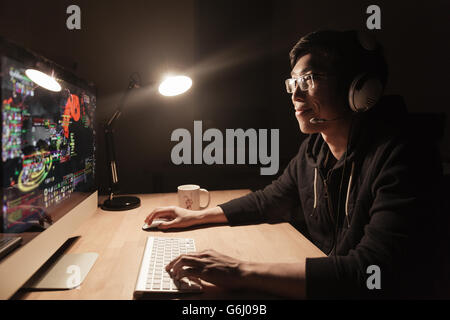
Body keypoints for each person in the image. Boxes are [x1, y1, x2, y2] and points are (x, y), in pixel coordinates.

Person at [145, 30, 445, 299]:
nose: (296, 95)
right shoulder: (314, 149)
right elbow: (271, 199)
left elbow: (371, 273)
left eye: (309, 80)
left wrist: (239, 271)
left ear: (360, 90)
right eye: (293, 83)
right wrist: (196, 216)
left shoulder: (404, 155)